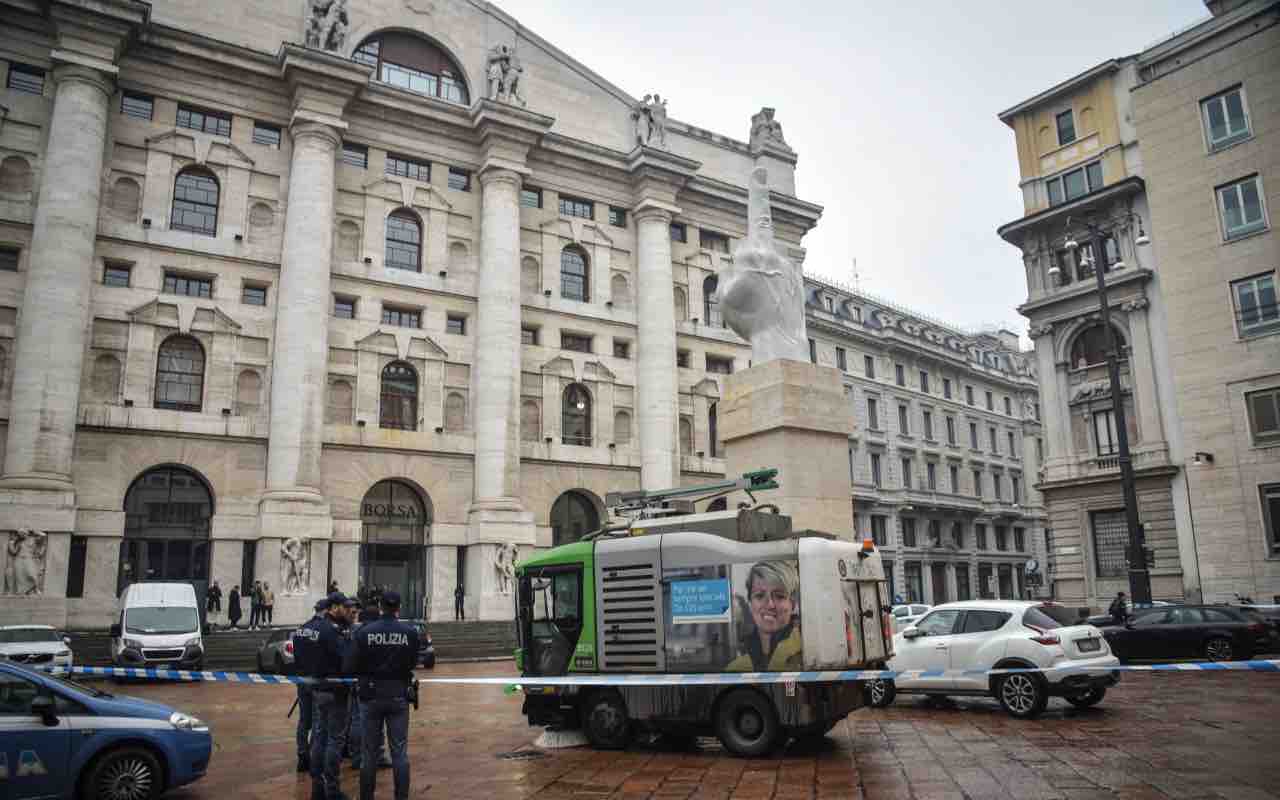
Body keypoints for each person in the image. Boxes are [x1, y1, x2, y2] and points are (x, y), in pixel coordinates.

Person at [343, 590, 419, 800]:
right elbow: (413, 663)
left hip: (370, 695)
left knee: (369, 754)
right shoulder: (410, 632)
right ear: (399, 608)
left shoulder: (364, 632)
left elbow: (349, 665)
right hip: (398, 695)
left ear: (381, 607)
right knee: (400, 753)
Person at [310, 592, 354, 800]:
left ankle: (317, 788)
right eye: (345, 607)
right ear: (335, 607)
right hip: (336, 691)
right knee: (334, 741)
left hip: (318, 688)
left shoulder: (315, 628)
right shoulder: (333, 631)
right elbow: (345, 660)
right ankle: (332, 790)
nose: (348, 611)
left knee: (320, 737)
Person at [726, 561, 803, 671]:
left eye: (779, 596)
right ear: (750, 603)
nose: (770, 604)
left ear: (793, 603)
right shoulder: (735, 665)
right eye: (760, 596)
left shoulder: (806, 652)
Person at [347, 599, 390, 771]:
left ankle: (357, 756)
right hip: (377, 683)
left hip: (358, 681)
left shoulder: (354, 632)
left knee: (357, 720)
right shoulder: (377, 633)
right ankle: (376, 755)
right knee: (378, 721)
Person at [292, 597, 329, 773]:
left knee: (303, 721)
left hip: (301, 679)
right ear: (325, 611)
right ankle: (313, 757)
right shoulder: (324, 629)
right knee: (317, 721)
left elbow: (296, 655)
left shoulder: (301, 629)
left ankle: (302, 755)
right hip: (317, 679)